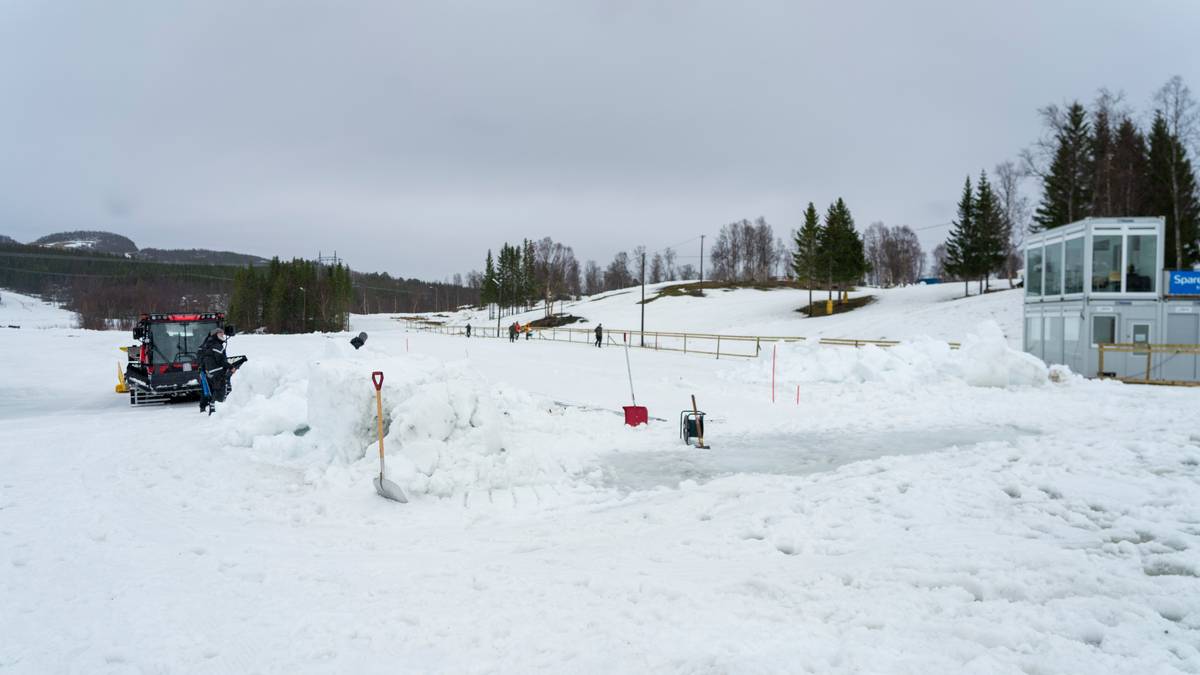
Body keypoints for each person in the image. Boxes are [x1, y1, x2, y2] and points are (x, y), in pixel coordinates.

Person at [197, 328, 237, 414]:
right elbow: (221, 361)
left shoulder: (207, 344)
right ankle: (215, 411)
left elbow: (203, 358)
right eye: (221, 334)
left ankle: (209, 409)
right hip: (217, 372)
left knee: (212, 391)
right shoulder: (216, 346)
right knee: (219, 392)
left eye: (223, 334)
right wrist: (231, 367)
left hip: (209, 372)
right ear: (216, 335)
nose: (223, 336)